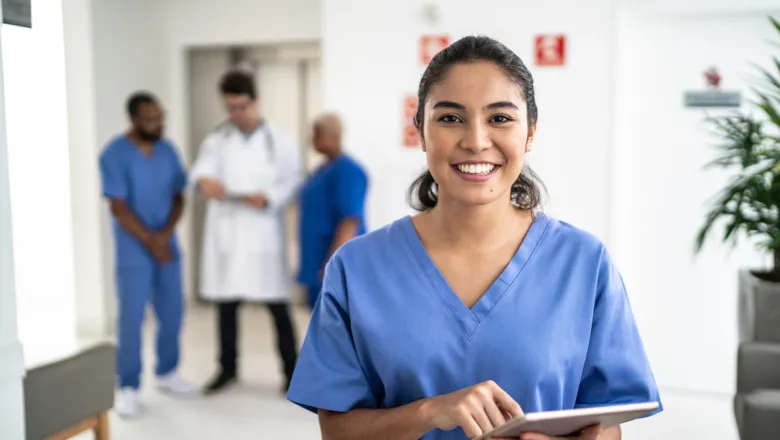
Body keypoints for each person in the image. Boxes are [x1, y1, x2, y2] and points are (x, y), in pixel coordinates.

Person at [286, 36, 662, 440]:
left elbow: (606, 424)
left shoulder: (585, 264)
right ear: (421, 132)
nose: (476, 140)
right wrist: (433, 410)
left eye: (500, 118)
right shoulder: (357, 268)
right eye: (450, 118)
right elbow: (338, 432)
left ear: (530, 132)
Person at [191, 70, 302, 394]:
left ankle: (292, 375)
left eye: (241, 106)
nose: (235, 114)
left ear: (255, 102)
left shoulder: (278, 140)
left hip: (262, 230)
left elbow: (292, 179)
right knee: (226, 305)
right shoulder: (217, 140)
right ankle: (227, 369)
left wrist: (269, 197)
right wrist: (203, 182)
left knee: (278, 307)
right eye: (230, 107)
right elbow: (200, 173)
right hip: (228, 233)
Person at [99, 92, 196, 418]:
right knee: (131, 316)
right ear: (134, 120)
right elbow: (118, 206)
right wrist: (149, 240)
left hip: (166, 245)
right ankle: (128, 384)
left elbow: (179, 195)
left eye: (160, 116)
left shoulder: (168, 151)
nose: (158, 123)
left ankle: (167, 372)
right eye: (151, 118)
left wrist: (165, 235)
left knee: (173, 310)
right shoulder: (114, 154)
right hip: (133, 249)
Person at [298, 113, 369, 310]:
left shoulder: (348, 171)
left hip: (334, 263)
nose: (311, 139)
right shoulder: (322, 170)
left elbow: (350, 221)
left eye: (316, 134)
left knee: (339, 327)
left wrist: (333, 265)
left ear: (334, 136)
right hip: (317, 259)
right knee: (321, 325)